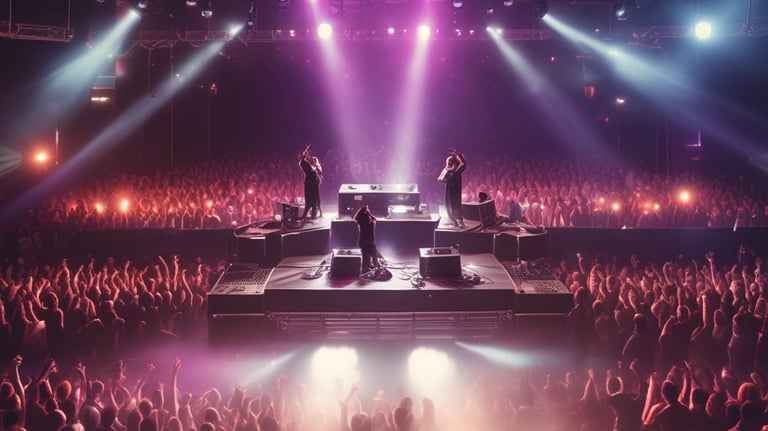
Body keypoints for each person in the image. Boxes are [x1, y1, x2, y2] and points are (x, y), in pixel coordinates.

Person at [438, 149, 466, 227]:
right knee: (448, 206)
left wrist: (458, 155)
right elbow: (441, 179)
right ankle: (453, 221)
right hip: (449, 192)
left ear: (455, 164)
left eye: (450, 163)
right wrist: (446, 171)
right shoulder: (448, 171)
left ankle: (459, 220)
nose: (449, 165)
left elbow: (464, 164)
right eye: (448, 163)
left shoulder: (457, 171)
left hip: (455, 192)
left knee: (456, 205)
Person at [298, 145, 321, 220]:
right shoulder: (306, 165)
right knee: (309, 200)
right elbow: (302, 159)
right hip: (309, 184)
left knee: (314, 200)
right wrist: (306, 151)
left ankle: (313, 214)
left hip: (314, 184)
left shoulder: (315, 168)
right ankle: (306, 214)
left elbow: (319, 174)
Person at [353, 205, 379, 273]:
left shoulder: (361, 223)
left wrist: (361, 210)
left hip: (363, 241)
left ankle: (365, 269)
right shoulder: (372, 222)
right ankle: (370, 269)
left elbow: (355, 218)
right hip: (369, 241)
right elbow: (374, 219)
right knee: (373, 256)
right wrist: (368, 212)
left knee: (366, 257)